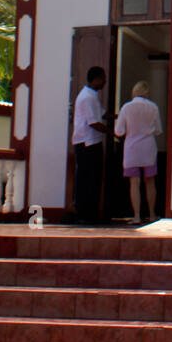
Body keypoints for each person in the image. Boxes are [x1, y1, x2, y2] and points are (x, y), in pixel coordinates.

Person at [114, 80, 162, 224]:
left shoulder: (126, 108)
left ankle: (136, 216)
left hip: (132, 149)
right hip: (148, 148)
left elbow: (119, 131)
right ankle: (152, 214)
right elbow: (158, 130)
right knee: (150, 182)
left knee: (134, 183)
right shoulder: (153, 107)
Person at [71, 66, 107, 224]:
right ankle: (83, 214)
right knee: (87, 179)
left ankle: (90, 213)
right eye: (103, 78)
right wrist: (113, 133)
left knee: (92, 178)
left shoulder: (92, 96)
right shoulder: (87, 97)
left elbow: (102, 114)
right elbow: (94, 122)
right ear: (96, 79)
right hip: (87, 143)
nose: (105, 81)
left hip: (92, 142)